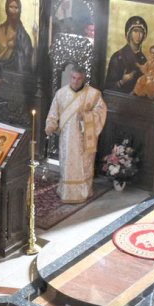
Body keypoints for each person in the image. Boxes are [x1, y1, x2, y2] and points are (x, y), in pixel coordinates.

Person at [44, 65, 107, 204]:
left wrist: (86, 116)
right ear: (70, 77)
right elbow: (53, 112)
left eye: (79, 78)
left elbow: (101, 112)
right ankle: (66, 191)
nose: (75, 81)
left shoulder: (93, 94)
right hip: (66, 138)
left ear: (83, 78)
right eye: (73, 78)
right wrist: (50, 125)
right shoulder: (61, 93)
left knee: (82, 165)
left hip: (84, 138)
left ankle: (83, 191)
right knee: (67, 164)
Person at [105, 15, 150, 95]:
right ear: (129, 34)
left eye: (141, 32)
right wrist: (122, 81)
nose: (138, 35)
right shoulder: (117, 57)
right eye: (135, 31)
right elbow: (108, 87)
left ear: (144, 35)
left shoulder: (143, 59)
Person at [0, 0, 34, 74]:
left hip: (18, 78)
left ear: (20, 10)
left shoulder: (24, 36)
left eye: (16, 8)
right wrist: (8, 48)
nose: (14, 11)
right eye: (11, 7)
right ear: (6, 8)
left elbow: (28, 62)